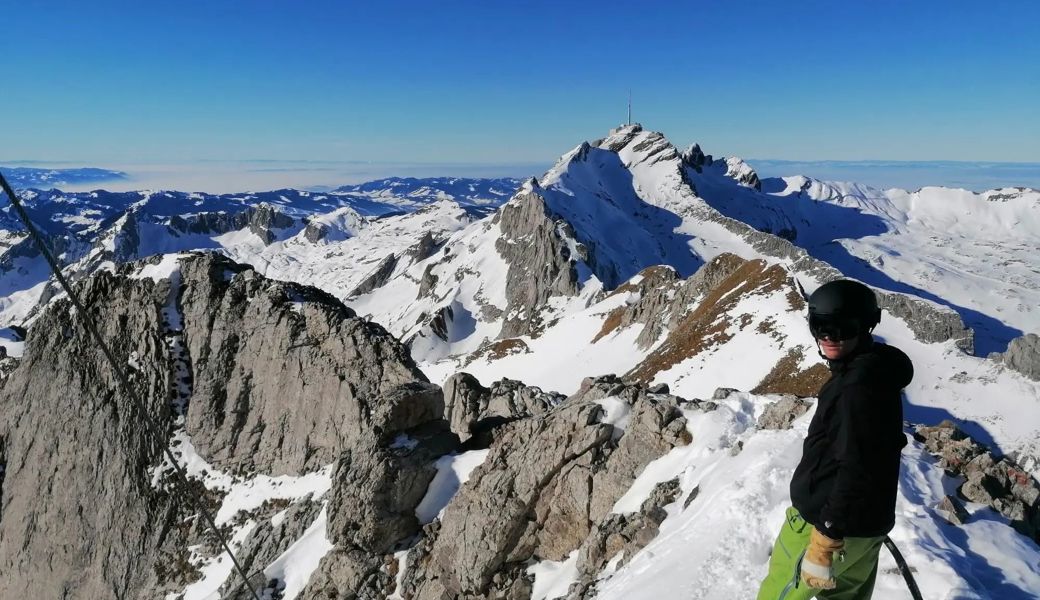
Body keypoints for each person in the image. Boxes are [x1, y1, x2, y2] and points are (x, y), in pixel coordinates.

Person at [757, 280, 914, 599]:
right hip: (867, 531)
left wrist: (826, 535)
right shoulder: (880, 372)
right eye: (821, 326)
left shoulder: (853, 389)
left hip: (824, 528)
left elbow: (856, 465)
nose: (829, 337)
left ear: (866, 326)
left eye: (843, 328)